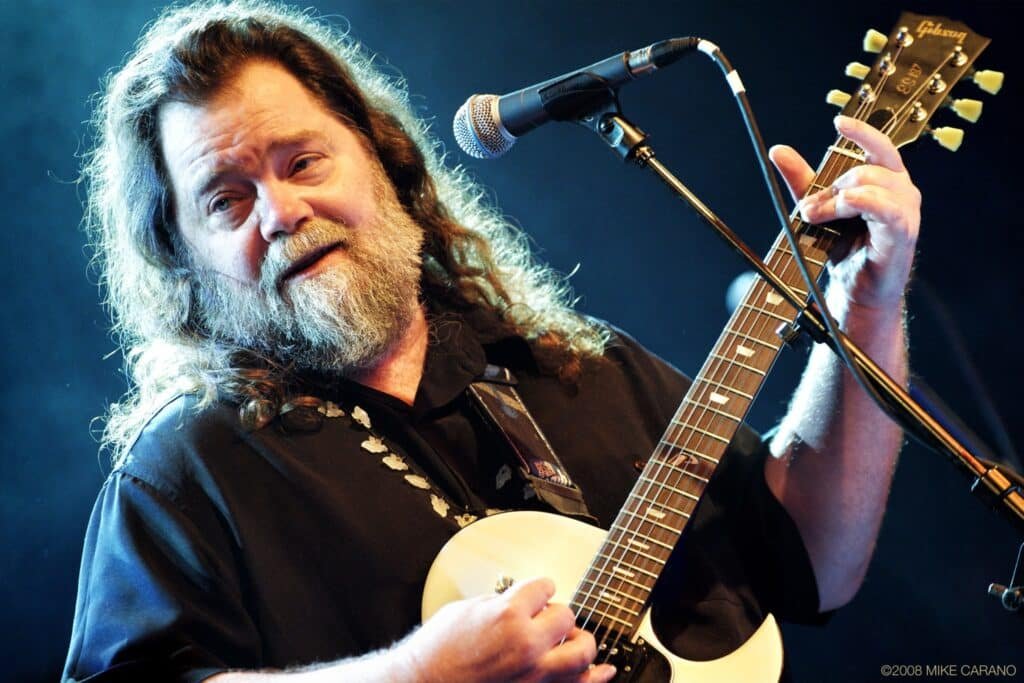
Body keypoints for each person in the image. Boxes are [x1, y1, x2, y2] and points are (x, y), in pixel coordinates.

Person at [63, 1, 920, 681]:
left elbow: (815, 563)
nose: (280, 211)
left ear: (384, 159)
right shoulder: (184, 472)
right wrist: (410, 677)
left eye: (303, 161)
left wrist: (867, 307)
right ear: (184, 258)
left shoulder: (575, 365)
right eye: (226, 199)